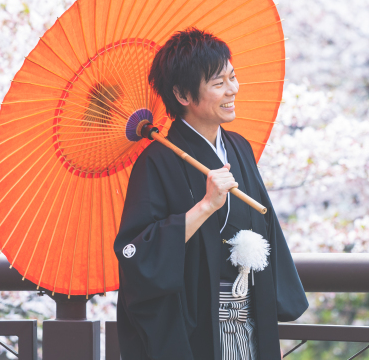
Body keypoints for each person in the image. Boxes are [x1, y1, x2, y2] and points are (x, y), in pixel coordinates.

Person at [114, 28, 308, 360]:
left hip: (249, 319)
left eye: (232, 78)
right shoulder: (156, 163)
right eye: (218, 84)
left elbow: (266, 226)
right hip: (195, 327)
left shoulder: (238, 148)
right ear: (183, 95)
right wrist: (205, 206)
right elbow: (138, 255)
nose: (232, 90)